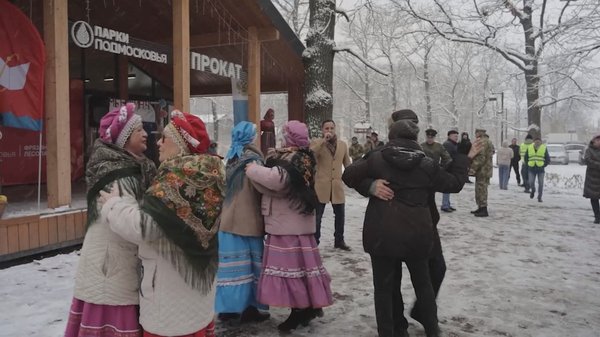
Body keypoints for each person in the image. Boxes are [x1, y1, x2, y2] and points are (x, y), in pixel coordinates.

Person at [342, 109, 476, 337]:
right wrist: (465, 158)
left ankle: (389, 331)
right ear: (415, 136)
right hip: (418, 235)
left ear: (392, 133)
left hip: (383, 235)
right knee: (423, 285)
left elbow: (349, 175)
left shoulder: (376, 157)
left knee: (384, 289)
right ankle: (431, 331)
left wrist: (370, 184)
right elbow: (453, 183)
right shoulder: (427, 163)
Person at [99, 111, 224, 337]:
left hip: (170, 300)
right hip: (196, 295)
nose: (158, 142)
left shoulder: (177, 180)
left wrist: (114, 205)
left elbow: (144, 227)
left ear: (180, 143)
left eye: (164, 137)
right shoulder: (207, 174)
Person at [64, 103, 157, 337]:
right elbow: (131, 224)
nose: (146, 133)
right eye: (138, 130)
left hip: (112, 265)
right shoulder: (119, 175)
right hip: (112, 269)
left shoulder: (133, 167)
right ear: (124, 138)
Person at [245, 120, 333, 332]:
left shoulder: (299, 158)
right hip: (290, 222)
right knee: (302, 270)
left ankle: (299, 310)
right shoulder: (293, 155)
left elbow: (279, 181)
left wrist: (253, 170)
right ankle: (309, 306)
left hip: (290, 224)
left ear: (292, 137)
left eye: (285, 134)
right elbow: (274, 185)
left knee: (292, 271)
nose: (282, 137)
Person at [215, 121, 269, 323]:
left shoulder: (231, 158)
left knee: (231, 271)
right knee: (251, 268)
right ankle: (250, 309)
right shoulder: (254, 160)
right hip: (248, 222)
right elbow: (263, 188)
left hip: (227, 222)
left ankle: (228, 309)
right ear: (251, 138)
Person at [310, 120, 352, 250]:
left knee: (340, 216)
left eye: (332, 128)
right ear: (322, 130)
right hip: (321, 186)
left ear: (335, 129)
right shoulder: (317, 143)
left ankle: (339, 240)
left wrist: (352, 178)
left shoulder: (342, 145)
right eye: (327, 128)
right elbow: (311, 154)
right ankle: (314, 241)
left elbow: (347, 165)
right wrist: (323, 141)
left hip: (337, 186)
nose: (329, 131)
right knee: (317, 217)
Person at [469, 128, 494, 217]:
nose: (475, 135)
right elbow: (492, 152)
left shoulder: (482, 142)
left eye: (476, 133)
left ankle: (483, 209)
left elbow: (481, 157)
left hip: (482, 170)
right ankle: (480, 207)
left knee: (481, 190)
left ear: (479, 133)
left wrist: (473, 168)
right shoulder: (489, 141)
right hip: (487, 169)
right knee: (482, 189)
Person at [525, 137, 550, 202]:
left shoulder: (543, 148)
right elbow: (526, 157)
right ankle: (533, 190)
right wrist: (528, 164)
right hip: (531, 168)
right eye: (536, 141)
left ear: (541, 142)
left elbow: (547, 158)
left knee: (541, 183)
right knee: (531, 182)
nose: (537, 143)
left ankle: (539, 197)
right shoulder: (530, 147)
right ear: (534, 142)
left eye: (539, 141)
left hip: (540, 169)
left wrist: (543, 165)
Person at [583, 134, 600, 224]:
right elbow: (587, 160)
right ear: (593, 141)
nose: (599, 142)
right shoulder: (589, 150)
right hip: (592, 178)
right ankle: (597, 217)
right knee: (594, 198)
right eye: (597, 140)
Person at [441, 130, 459, 212]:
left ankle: (447, 203)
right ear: (449, 136)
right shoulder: (448, 144)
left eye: (457, 136)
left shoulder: (452, 144)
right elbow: (447, 158)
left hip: (451, 168)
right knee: (447, 187)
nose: (456, 137)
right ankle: (445, 205)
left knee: (448, 187)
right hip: (448, 168)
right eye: (455, 136)